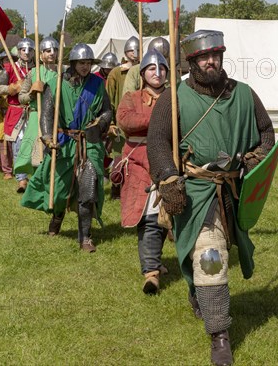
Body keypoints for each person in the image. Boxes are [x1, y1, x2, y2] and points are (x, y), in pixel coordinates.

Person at [147, 29, 275, 366]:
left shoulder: (244, 94)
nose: (211, 61)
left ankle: (197, 293)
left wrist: (258, 155)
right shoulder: (173, 97)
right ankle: (219, 335)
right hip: (197, 191)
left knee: (215, 251)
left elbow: (265, 131)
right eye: (204, 56)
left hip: (232, 191)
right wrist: (168, 177)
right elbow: (158, 141)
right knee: (211, 257)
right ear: (191, 61)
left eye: (216, 55)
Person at [21, 43, 112, 252]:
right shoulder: (55, 84)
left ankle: (85, 237)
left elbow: (107, 111)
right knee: (61, 190)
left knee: (88, 187)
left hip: (89, 142)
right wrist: (46, 136)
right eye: (82, 62)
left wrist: (101, 123)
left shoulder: (98, 84)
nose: (85, 66)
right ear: (73, 63)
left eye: (88, 63)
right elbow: (46, 114)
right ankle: (57, 216)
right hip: (64, 142)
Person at [116, 49, 169, 294]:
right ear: (143, 73)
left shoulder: (174, 97)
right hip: (139, 162)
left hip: (169, 160)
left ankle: (158, 259)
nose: (157, 73)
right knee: (148, 218)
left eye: (161, 68)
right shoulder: (131, 97)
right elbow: (126, 121)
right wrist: (160, 117)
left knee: (170, 216)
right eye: (151, 69)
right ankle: (151, 272)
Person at [0, 38, 35, 192]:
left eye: (29, 49)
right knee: (18, 146)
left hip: (34, 112)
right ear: (18, 52)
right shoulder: (10, 69)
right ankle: (21, 179)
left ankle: (35, 176)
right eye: (23, 49)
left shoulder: (37, 69)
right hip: (16, 111)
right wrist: (10, 88)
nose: (26, 52)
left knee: (34, 146)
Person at [15, 36, 59, 177]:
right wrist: (32, 94)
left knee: (54, 153)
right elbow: (21, 98)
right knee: (35, 156)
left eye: (55, 50)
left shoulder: (63, 73)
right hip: (36, 117)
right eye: (47, 51)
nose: (52, 53)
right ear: (41, 55)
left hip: (57, 117)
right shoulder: (33, 73)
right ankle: (35, 183)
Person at [106, 36, 140, 199]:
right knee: (120, 156)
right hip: (121, 122)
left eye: (137, 50)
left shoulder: (145, 70)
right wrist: (111, 122)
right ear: (125, 52)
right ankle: (115, 187)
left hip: (139, 121)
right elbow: (109, 99)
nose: (135, 53)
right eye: (131, 50)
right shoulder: (116, 73)